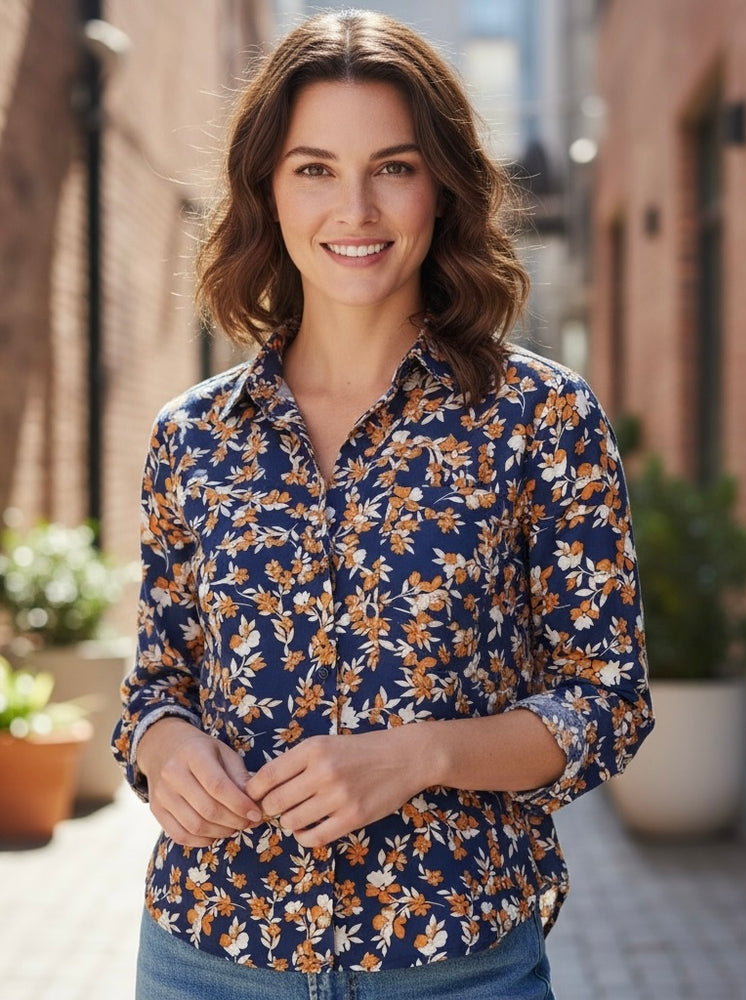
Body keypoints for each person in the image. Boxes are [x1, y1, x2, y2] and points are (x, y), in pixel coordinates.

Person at [113, 9, 653, 999]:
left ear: (440, 188)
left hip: (455, 965)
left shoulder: (541, 419)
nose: (353, 208)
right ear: (267, 190)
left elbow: (605, 701)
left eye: (392, 167)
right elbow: (156, 683)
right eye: (313, 167)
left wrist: (420, 755)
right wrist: (162, 745)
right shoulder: (190, 437)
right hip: (206, 955)